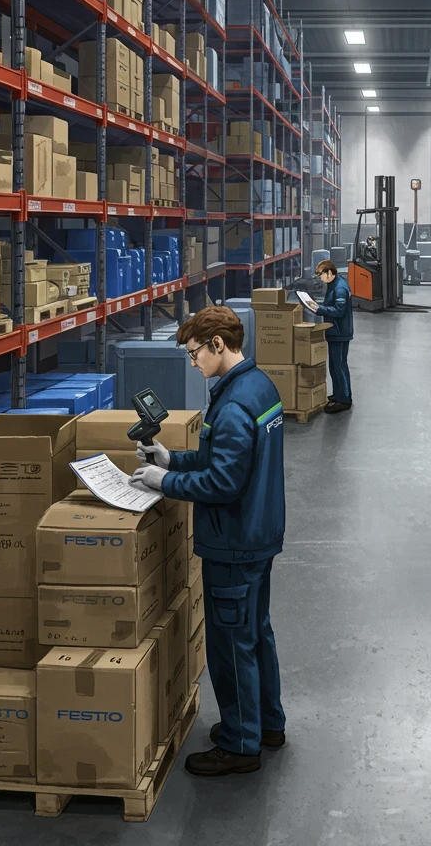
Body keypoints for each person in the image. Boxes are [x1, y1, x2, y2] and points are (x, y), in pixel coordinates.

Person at [129, 306, 287, 776]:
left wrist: (162, 482)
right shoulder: (259, 388)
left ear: (219, 345)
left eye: (195, 353)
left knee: (231, 643)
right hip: (259, 533)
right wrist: (173, 460)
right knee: (257, 633)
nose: (192, 362)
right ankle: (266, 724)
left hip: (233, 540)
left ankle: (241, 743)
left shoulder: (234, 404)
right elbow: (226, 458)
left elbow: (223, 484)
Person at [313, 259, 354, 414]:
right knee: (334, 365)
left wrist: (319, 309)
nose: (321, 279)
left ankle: (344, 400)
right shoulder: (335, 284)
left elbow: (339, 311)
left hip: (340, 332)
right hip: (336, 332)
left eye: (321, 275)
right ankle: (338, 394)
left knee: (340, 365)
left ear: (329, 273)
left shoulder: (340, 288)